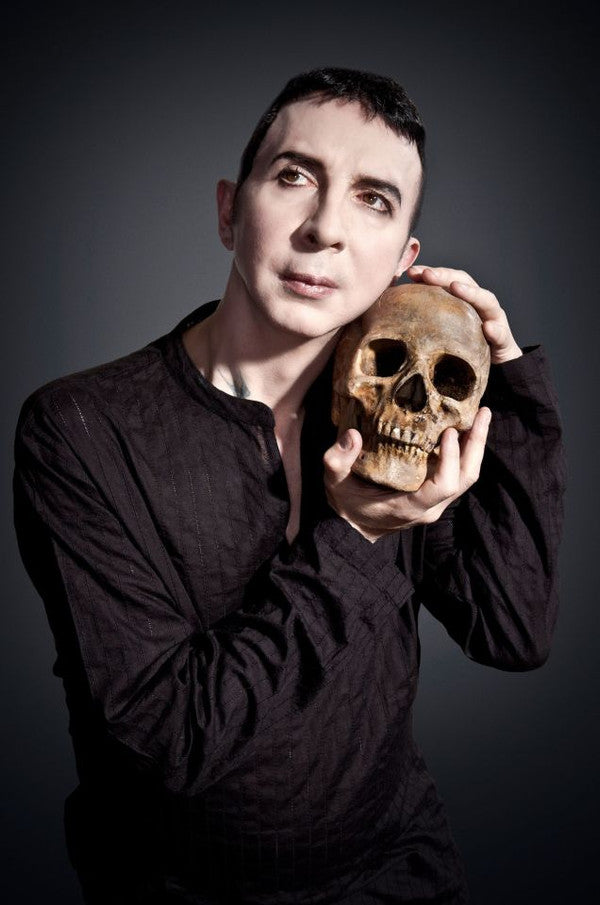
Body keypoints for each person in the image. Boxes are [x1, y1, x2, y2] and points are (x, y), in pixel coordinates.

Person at [13, 67, 565, 904]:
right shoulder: (79, 431)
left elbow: (512, 629)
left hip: (397, 874)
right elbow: (170, 741)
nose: (326, 228)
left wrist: (512, 380)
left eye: (374, 199)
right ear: (229, 210)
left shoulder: (399, 412)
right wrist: (356, 536)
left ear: (404, 260)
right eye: (295, 176)